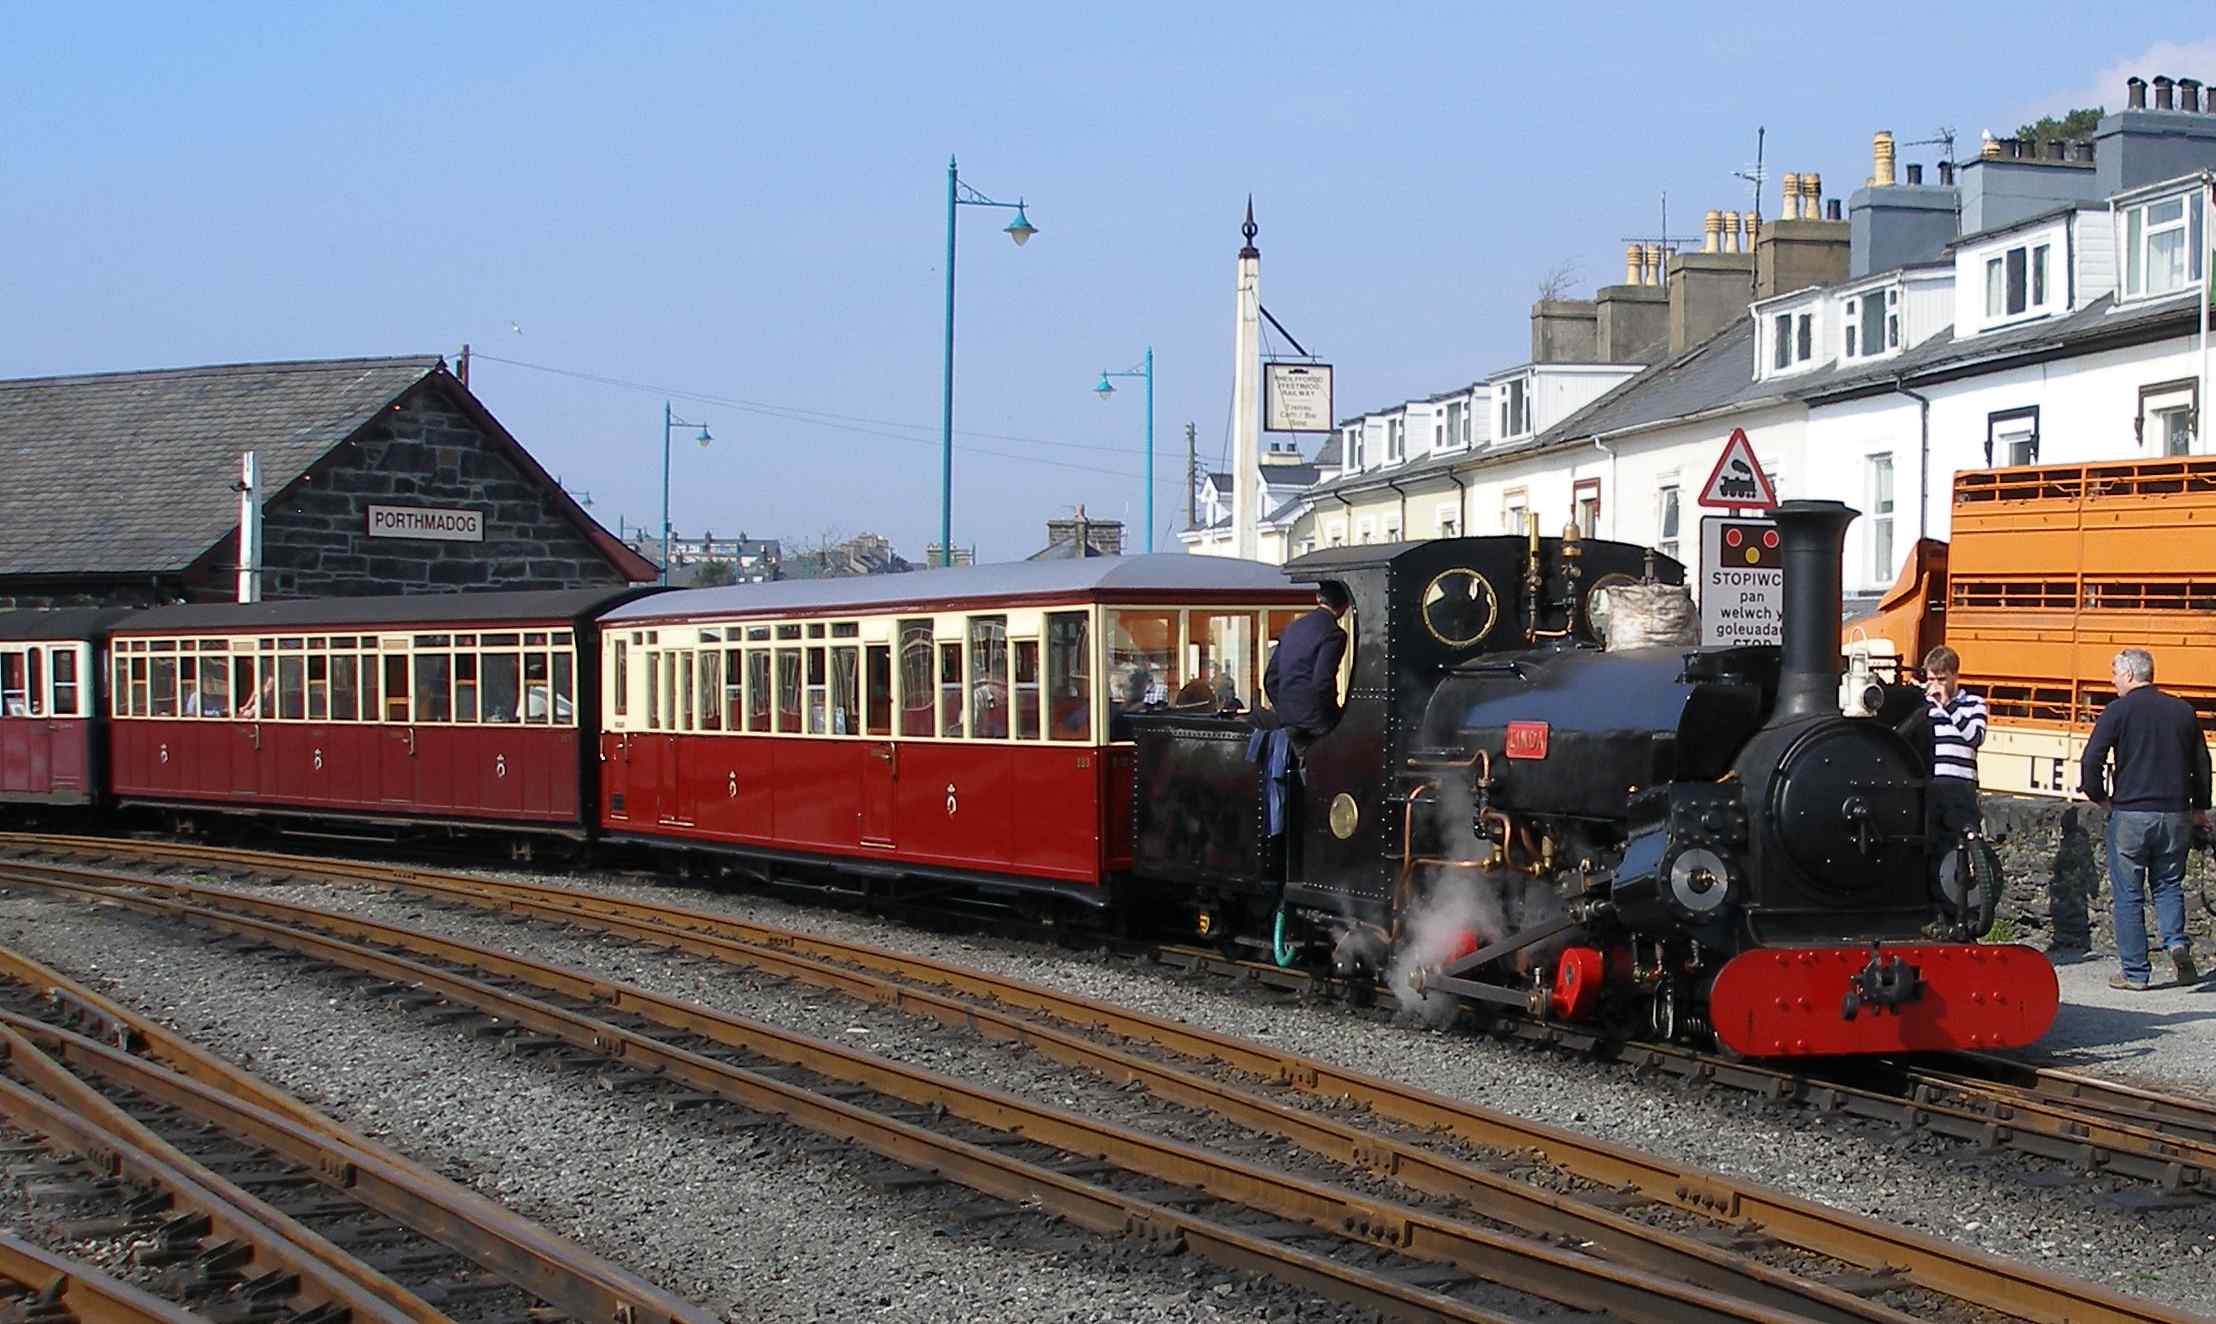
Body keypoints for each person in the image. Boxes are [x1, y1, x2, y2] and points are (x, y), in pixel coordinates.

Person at [2080, 648, 2214, 991]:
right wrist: (2199, 807)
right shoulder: (2183, 710)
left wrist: (2100, 798)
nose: (2112, 680)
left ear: (2128, 675)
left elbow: (2091, 760)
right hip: (2174, 814)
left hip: (2131, 814)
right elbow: (2202, 764)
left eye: (2113, 673)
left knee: (2128, 894)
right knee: (2168, 885)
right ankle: (2175, 942)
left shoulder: (2118, 711)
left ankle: (2136, 973)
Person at [1263, 581, 1351, 746]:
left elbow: (1271, 678)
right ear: (1345, 605)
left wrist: (1285, 711)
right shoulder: (1334, 634)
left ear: (1318, 597)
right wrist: (1333, 716)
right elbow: (1322, 681)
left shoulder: (1293, 628)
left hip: (1287, 719)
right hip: (1315, 722)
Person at [1922, 646, 1987, 840]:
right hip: (1933, 784)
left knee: (1964, 842)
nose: (1936, 685)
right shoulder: (1925, 706)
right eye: (1931, 680)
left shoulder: (1974, 703)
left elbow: (1975, 737)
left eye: (1941, 679)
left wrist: (1949, 706)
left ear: (1955, 676)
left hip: (1961, 785)